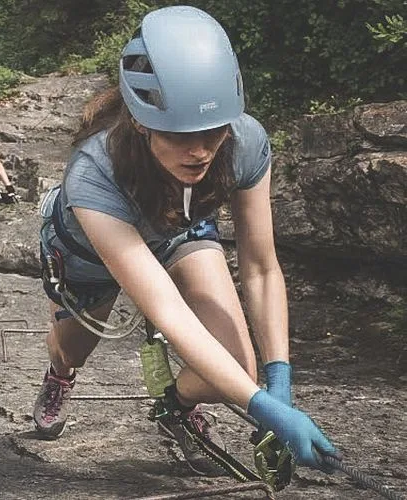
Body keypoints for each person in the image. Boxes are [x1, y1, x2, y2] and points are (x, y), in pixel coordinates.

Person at [32, 5, 339, 476]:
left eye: (212, 131)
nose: (199, 150)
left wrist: (277, 379)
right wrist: (264, 411)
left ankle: (174, 405)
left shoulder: (245, 142)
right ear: (141, 121)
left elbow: (259, 266)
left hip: (179, 227)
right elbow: (166, 308)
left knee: (239, 367)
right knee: (71, 349)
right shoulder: (93, 174)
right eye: (179, 134)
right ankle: (60, 375)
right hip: (90, 249)